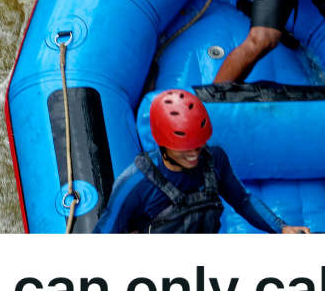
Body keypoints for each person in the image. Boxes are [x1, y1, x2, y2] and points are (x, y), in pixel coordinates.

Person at [93, 90, 310, 234]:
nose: (194, 153)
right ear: (163, 144)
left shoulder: (213, 157)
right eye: (185, 147)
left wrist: (282, 228)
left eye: (198, 143)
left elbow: (243, 200)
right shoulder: (135, 183)